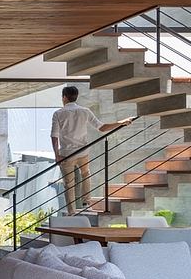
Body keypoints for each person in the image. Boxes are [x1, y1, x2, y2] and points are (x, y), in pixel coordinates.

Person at [50, 86, 134, 214]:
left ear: (64, 97)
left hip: (66, 154)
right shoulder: (85, 111)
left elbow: (54, 136)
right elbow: (102, 127)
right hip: (83, 152)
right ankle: (87, 203)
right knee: (85, 175)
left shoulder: (58, 113)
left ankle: (72, 211)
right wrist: (121, 122)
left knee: (69, 184)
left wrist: (57, 155)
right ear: (76, 96)